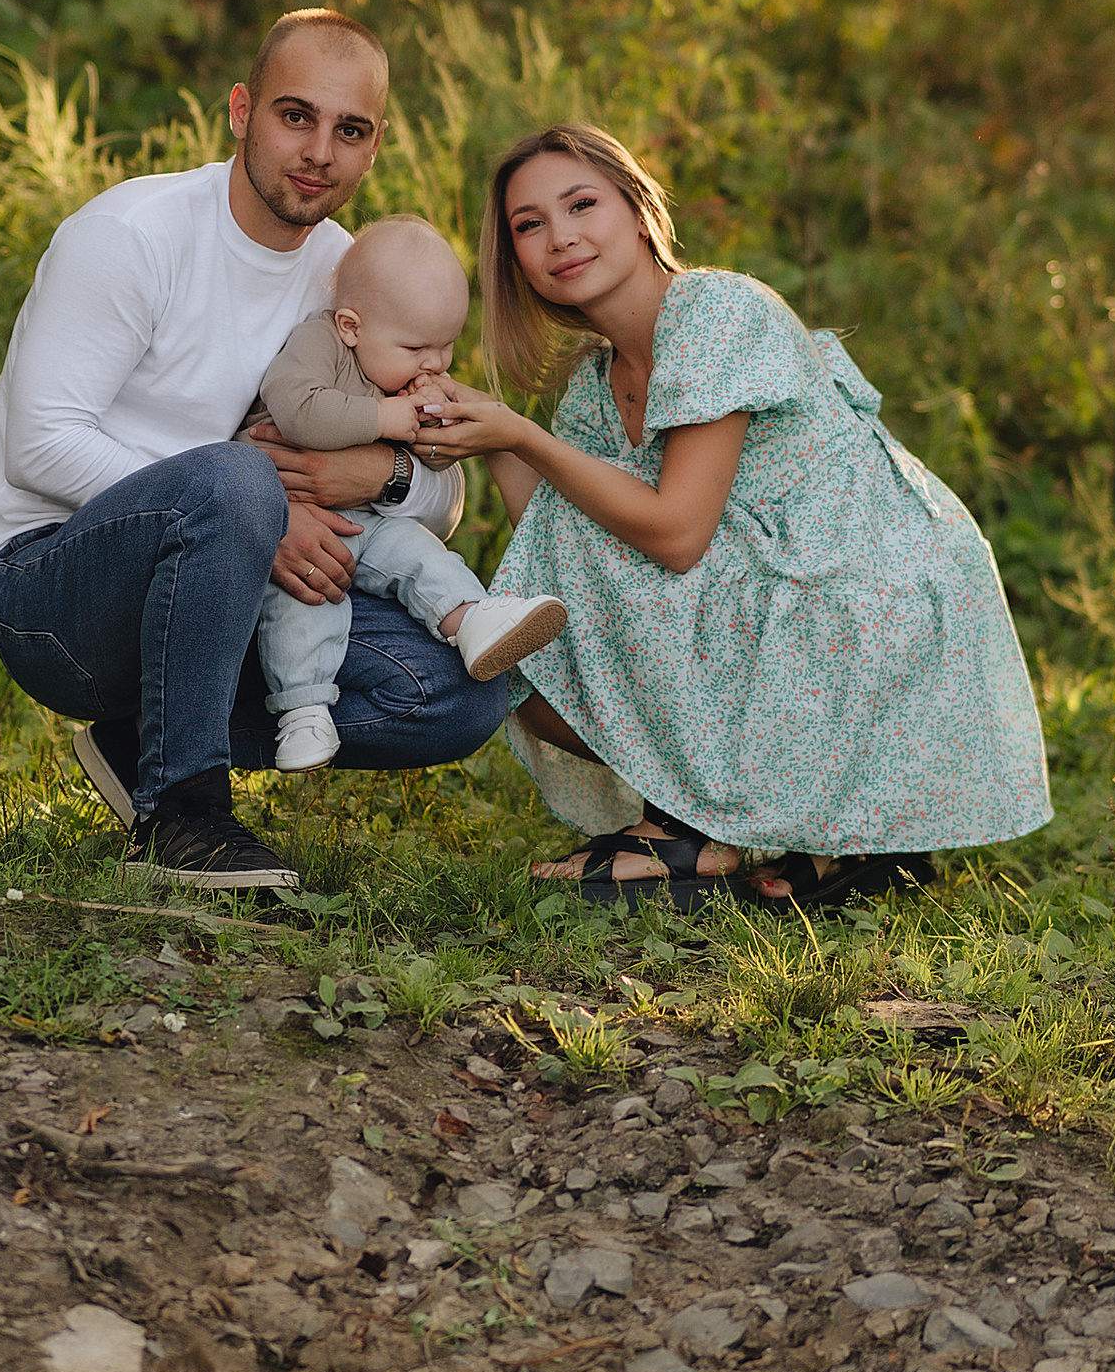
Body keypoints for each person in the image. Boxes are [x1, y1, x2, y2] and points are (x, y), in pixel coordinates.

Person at [414, 122, 1051, 907]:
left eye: (582, 204)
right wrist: (495, 440)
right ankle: (729, 828)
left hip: (867, 599)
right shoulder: (595, 384)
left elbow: (677, 534)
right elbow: (561, 540)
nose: (561, 237)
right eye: (529, 225)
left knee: (610, 562)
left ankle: (690, 834)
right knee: (531, 652)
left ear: (640, 212)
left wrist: (523, 436)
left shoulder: (715, 312)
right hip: (775, 598)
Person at [0, 9, 511, 889]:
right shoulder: (133, 234)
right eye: (296, 115)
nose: (319, 150)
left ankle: (143, 737)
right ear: (240, 110)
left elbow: (440, 499)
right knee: (236, 478)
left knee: (459, 695)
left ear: (374, 150)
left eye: (350, 129)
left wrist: (381, 469)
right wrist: (259, 512)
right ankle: (182, 813)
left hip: (231, 596)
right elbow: (39, 447)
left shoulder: (352, 279)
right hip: (55, 593)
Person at [246, 214, 566, 771]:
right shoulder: (320, 343)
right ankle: (302, 712)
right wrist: (388, 416)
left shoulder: (395, 367)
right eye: (418, 346)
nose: (436, 363)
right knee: (308, 605)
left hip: (367, 523)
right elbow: (297, 412)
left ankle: (471, 619)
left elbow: (442, 491)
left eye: (447, 346)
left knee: (421, 555)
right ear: (351, 326)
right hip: (291, 526)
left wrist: (433, 430)